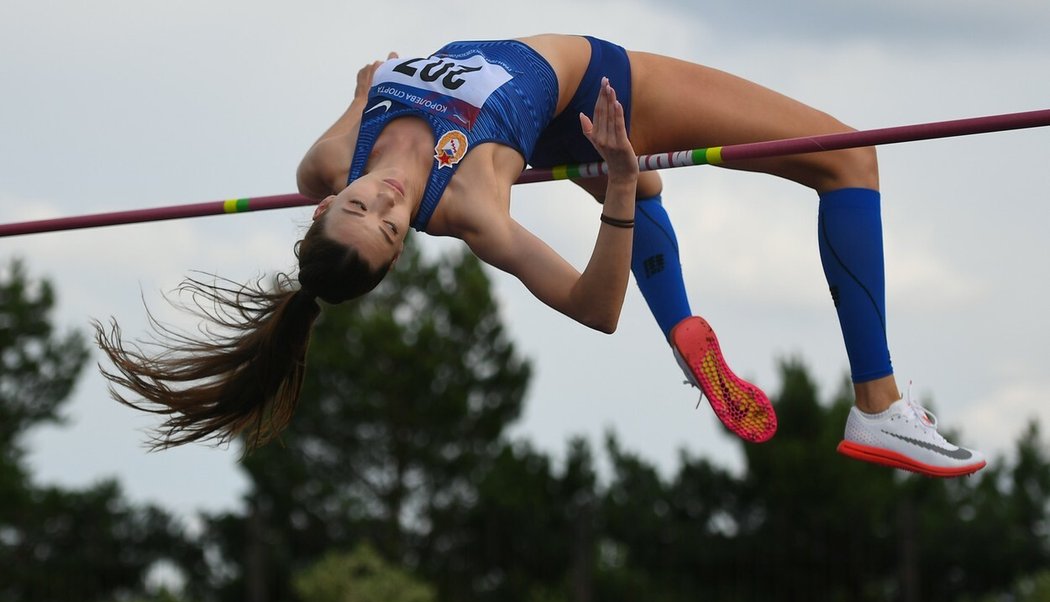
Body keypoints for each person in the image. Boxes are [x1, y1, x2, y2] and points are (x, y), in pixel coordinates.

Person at [96, 34, 984, 477]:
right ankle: (879, 405)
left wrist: (367, 87)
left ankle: (685, 332)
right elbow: (593, 309)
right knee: (848, 153)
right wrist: (623, 180)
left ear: (335, 199)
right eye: (395, 227)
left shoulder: (325, 162)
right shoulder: (473, 205)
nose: (392, 202)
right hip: (599, 81)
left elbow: (344, 119)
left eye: (368, 205)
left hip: (556, 118)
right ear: (408, 245)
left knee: (650, 198)